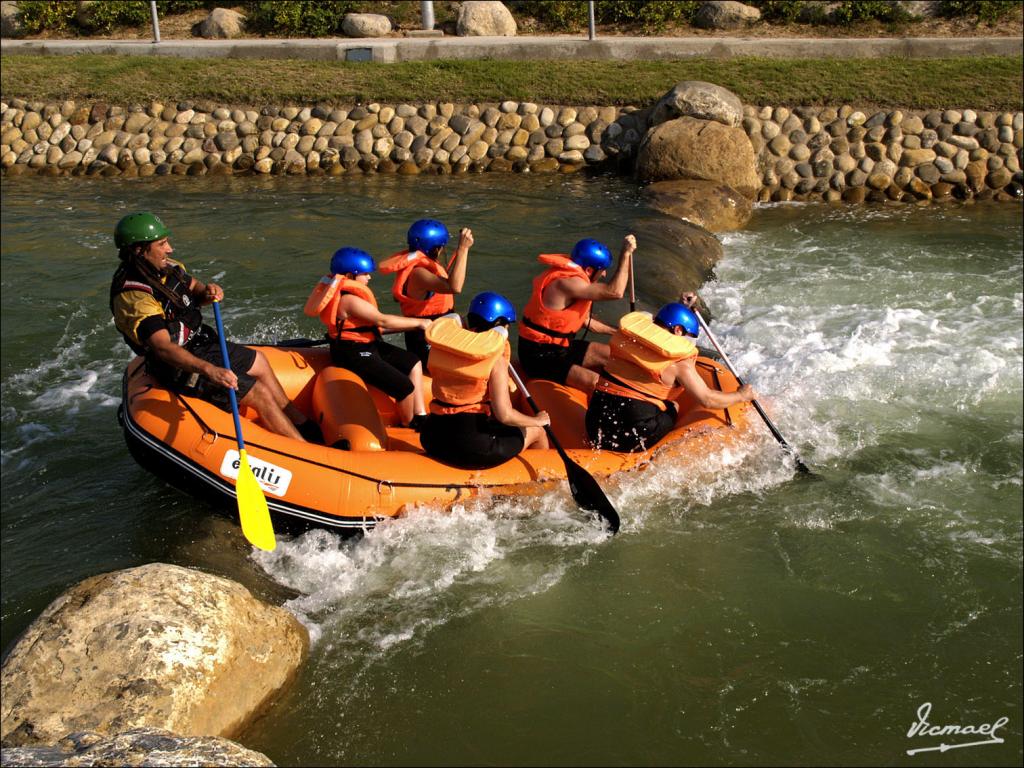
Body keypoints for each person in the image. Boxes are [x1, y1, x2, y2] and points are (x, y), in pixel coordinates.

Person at [110, 212, 318, 442]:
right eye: (161, 244)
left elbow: (196, 290)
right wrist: (209, 370)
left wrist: (209, 292)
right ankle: (303, 446)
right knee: (258, 393)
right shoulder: (134, 296)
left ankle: (302, 423)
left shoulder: (167, 267)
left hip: (200, 343)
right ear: (139, 250)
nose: (170, 249)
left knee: (259, 361)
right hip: (175, 364)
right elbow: (163, 348)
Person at [585, 303, 757, 452]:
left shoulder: (628, 339)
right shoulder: (680, 363)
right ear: (678, 330)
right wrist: (741, 395)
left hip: (593, 426)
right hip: (629, 437)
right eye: (691, 337)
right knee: (673, 405)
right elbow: (708, 399)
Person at [419, 292, 550, 469]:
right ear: (498, 325)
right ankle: (542, 481)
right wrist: (538, 420)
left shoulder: (442, 347)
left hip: (432, 436)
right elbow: (505, 415)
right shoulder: (496, 361)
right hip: (471, 445)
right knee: (538, 432)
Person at [305, 247, 429, 429]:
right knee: (404, 388)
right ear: (350, 275)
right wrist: (419, 323)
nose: (369, 277)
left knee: (412, 362)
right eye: (365, 274)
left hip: (368, 345)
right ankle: (408, 423)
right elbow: (383, 320)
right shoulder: (349, 301)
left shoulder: (350, 295)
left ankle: (420, 415)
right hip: (352, 352)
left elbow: (373, 325)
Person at [518, 234, 636, 394]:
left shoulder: (574, 282)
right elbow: (615, 292)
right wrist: (626, 254)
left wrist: (620, 333)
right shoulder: (567, 282)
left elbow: (587, 321)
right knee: (598, 384)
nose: (604, 275)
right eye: (602, 271)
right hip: (539, 355)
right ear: (589, 270)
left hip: (561, 348)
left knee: (614, 357)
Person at [378, 219, 473, 371]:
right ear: (436, 249)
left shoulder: (417, 268)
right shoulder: (418, 273)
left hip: (435, 335)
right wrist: (463, 249)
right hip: (427, 342)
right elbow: (455, 287)